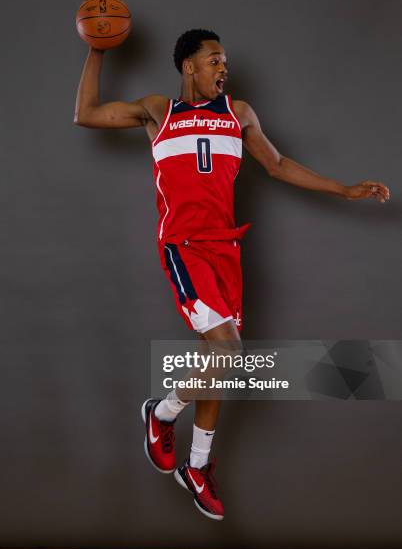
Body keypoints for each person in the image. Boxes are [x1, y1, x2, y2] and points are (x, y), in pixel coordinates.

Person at [74, 28, 390, 521]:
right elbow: (86, 114)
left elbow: (279, 165)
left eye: (226, 61)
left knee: (218, 360)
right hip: (184, 246)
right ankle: (161, 413)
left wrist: (343, 189)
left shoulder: (237, 114)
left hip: (226, 250)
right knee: (227, 348)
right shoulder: (160, 110)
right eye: (214, 60)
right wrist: (96, 50)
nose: (224, 68)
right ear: (189, 67)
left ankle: (196, 466)